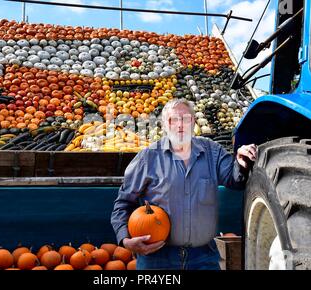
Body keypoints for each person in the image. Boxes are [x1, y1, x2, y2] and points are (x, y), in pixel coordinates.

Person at [110, 99, 257, 270]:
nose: (180, 125)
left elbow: (234, 180)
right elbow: (123, 203)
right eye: (173, 120)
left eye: (186, 119)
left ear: (194, 122)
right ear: (165, 124)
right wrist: (125, 240)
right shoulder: (147, 158)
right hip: (157, 259)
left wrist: (241, 162)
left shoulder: (212, 151)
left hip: (203, 258)